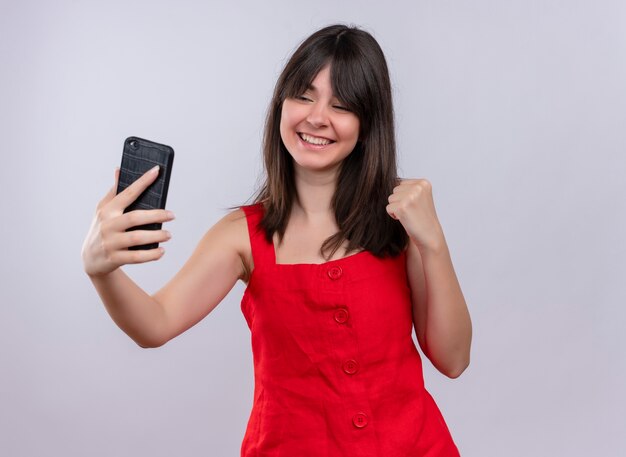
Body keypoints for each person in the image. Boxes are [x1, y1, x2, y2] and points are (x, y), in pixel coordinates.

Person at [82, 24, 472, 457]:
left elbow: (453, 360)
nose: (317, 117)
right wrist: (101, 270)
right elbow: (154, 324)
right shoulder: (240, 236)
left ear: (367, 124)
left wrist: (433, 241)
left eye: (341, 104)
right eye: (303, 96)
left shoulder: (402, 216)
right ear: (280, 105)